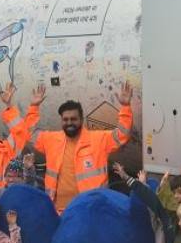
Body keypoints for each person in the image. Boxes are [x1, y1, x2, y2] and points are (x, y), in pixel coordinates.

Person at [28, 80, 134, 214]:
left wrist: (125, 107)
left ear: (81, 119)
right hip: (58, 210)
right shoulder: (51, 140)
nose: (69, 123)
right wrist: (33, 107)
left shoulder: (98, 140)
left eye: (73, 119)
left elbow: (122, 135)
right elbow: (30, 134)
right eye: (65, 119)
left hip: (89, 210)